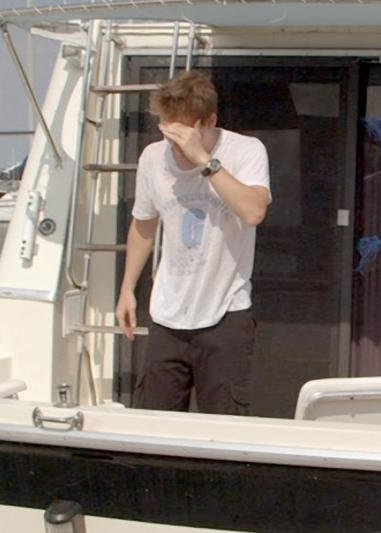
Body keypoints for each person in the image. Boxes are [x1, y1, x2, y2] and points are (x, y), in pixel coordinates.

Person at [116, 70, 271, 415]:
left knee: (224, 424)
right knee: (153, 423)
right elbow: (144, 224)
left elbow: (254, 212)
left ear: (210, 121)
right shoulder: (152, 157)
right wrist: (127, 289)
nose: (175, 143)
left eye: (182, 133)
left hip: (226, 313)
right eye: (167, 131)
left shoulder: (246, 151)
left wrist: (203, 159)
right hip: (167, 314)